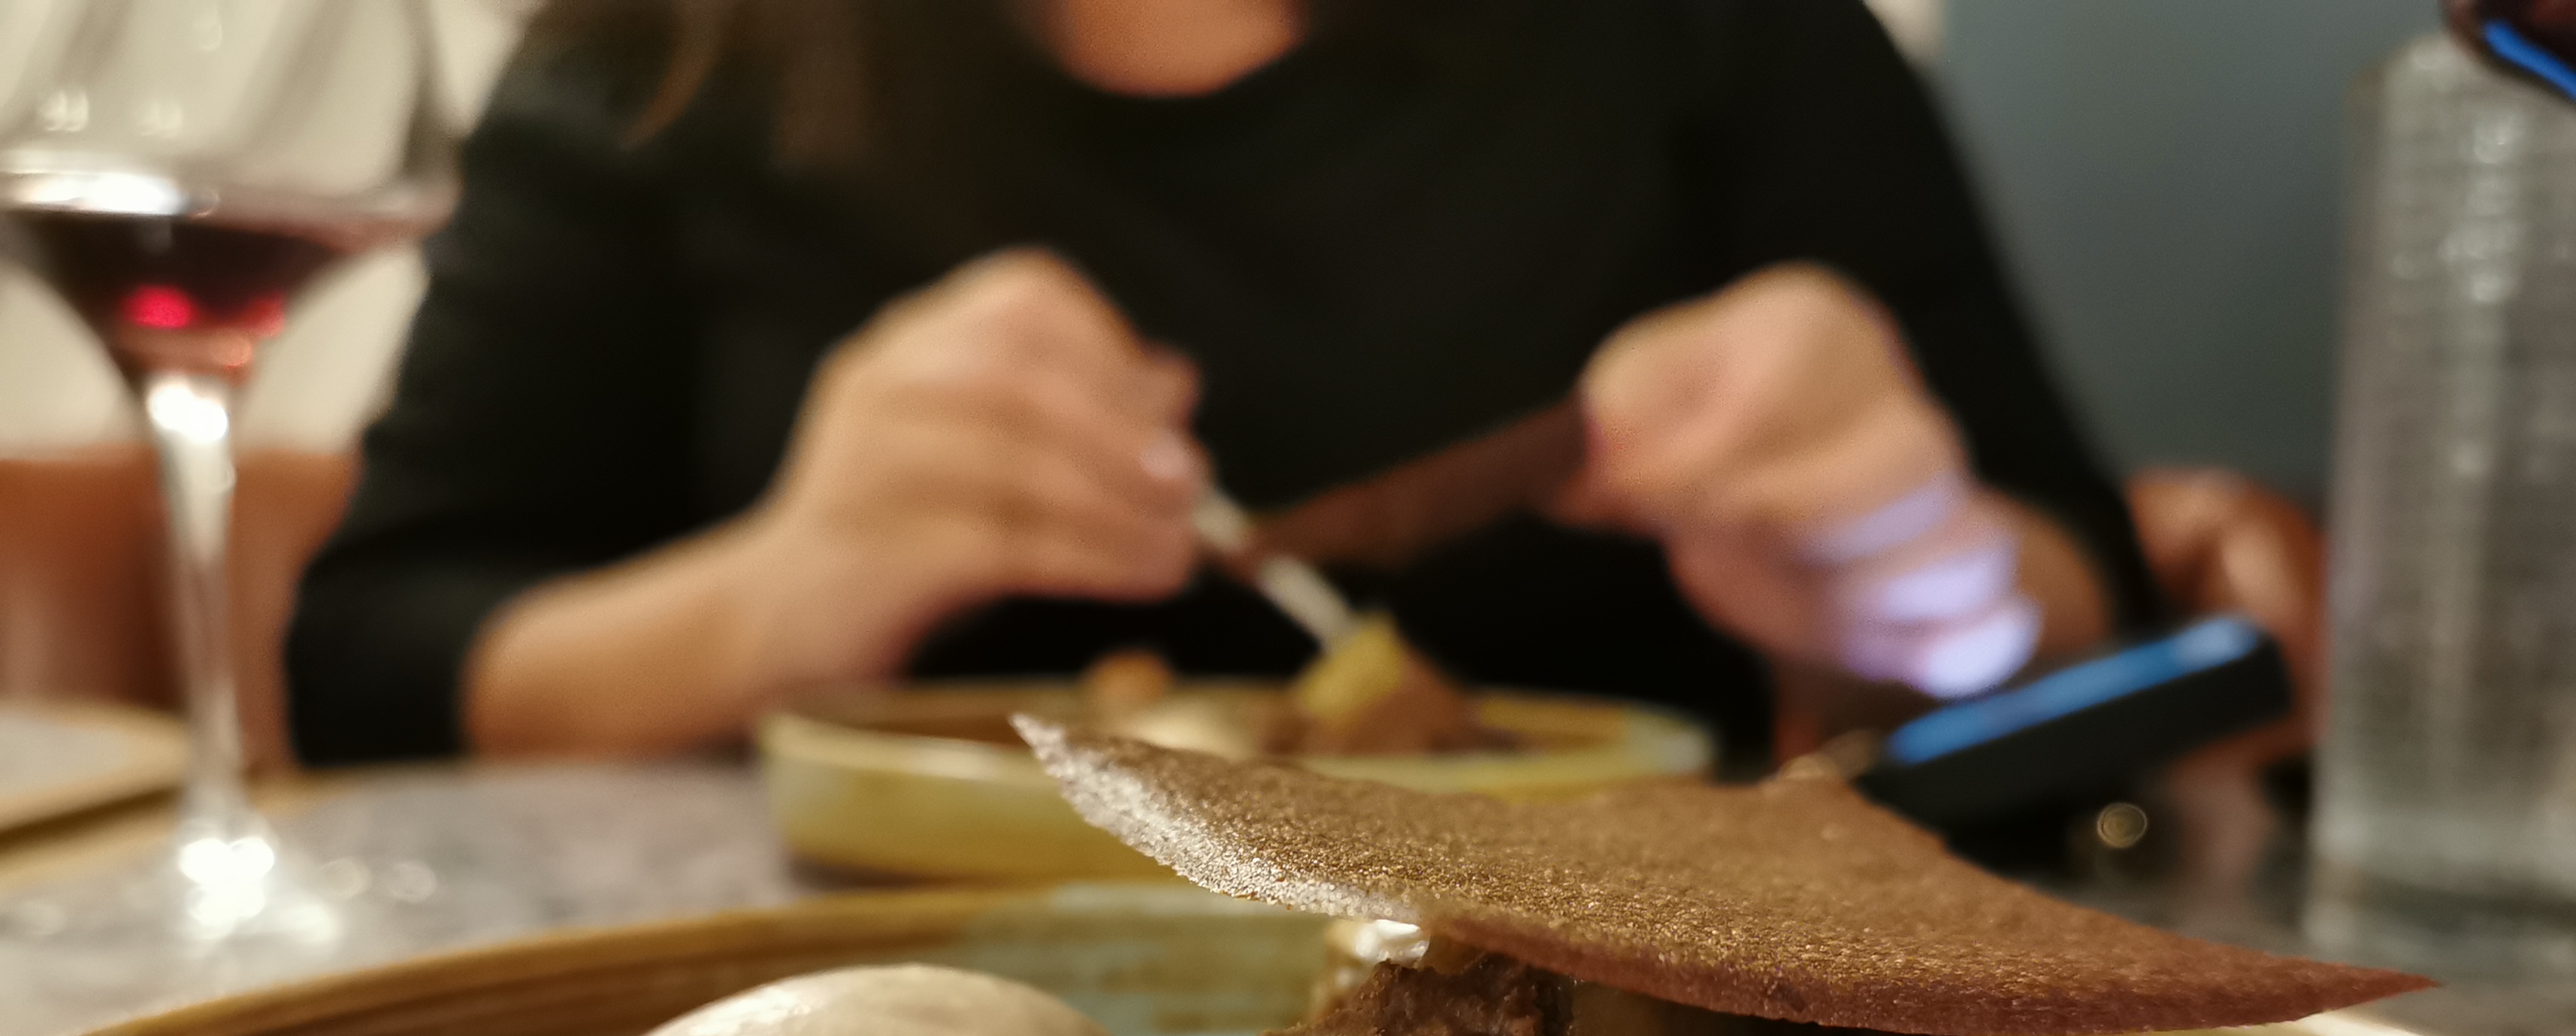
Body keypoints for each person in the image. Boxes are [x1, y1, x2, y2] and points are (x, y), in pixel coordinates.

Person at [286, 0, 2160, 768]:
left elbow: (2093, 654)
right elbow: (371, 672)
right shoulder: (662, 51)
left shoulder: (1722, 38)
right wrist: (782, 591)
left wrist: (1921, 582)